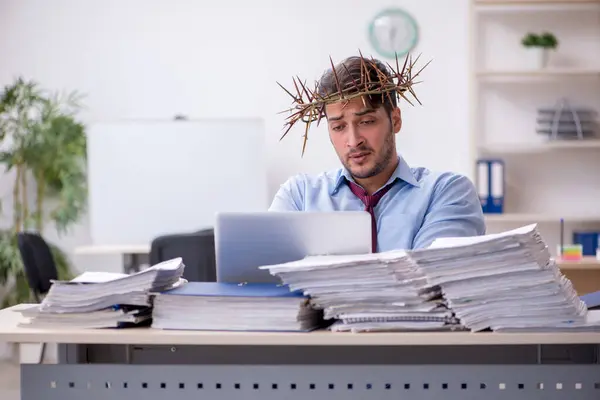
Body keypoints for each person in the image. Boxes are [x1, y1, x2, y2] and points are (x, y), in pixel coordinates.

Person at [269, 53, 486, 252]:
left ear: (396, 120)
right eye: (338, 127)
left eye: (366, 122)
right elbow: (268, 273)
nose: (353, 141)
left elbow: (430, 280)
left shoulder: (446, 193)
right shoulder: (300, 196)